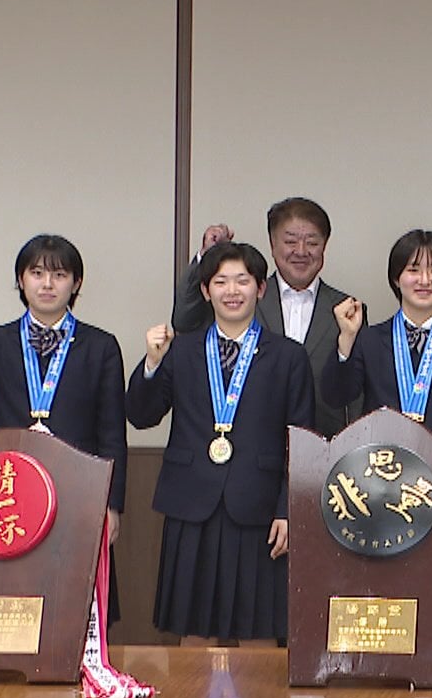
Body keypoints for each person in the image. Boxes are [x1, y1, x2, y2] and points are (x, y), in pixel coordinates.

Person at [130, 241, 315, 645]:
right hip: (191, 501)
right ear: (205, 291)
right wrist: (151, 363)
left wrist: (289, 509)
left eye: (242, 281)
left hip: (260, 506)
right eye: (221, 281)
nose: (232, 291)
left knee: (259, 630)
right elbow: (141, 416)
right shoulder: (181, 350)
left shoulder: (288, 357)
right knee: (192, 628)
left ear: (261, 289)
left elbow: (302, 440)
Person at [0, 233, 129, 621]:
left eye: (59, 274)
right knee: (7, 588)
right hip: (6, 487)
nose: (47, 284)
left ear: (76, 283)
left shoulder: (100, 346)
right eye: (37, 273)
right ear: (21, 281)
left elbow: (112, 431)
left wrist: (112, 504)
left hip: (76, 488)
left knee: (69, 596)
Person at [325, 229, 432, 546]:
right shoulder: (371, 339)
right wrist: (346, 340)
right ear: (396, 278)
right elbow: (337, 395)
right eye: (413, 270)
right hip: (378, 489)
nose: (424, 280)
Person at [173, 197, 358, 436]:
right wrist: (207, 257)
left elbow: (356, 394)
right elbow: (184, 320)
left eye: (311, 242)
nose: (301, 251)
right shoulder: (243, 298)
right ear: (272, 244)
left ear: (325, 245)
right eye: (290, 241)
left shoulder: (347, 309)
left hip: (322, 447)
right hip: (247, 447)